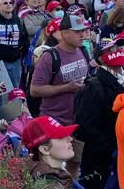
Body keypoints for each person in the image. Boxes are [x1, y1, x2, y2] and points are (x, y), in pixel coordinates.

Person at [30, 14, 90, 177]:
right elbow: (35, 90)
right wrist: (66, 88)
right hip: (54, 122)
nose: (82, 35)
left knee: (74, 165)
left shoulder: (83, 52)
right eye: (77, 31)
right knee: (51, 170)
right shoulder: (50, 57)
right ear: (63, 33)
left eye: (84, 31)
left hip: (77, 122)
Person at [74, 36, 124, 189]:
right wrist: (111, 149)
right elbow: (85, 127)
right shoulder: (93, 86)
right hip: (101, 158)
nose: (117, 52)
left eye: (118, 48)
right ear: (101, 58)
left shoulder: (121, 79)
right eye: (111, 50)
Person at [22, 116, 89, 189]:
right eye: (60, 136)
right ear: (44, 149)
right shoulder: (49, 188)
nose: (70, 138)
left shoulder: (56, 175)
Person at [0, 0, 30, 90]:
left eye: (10, 2)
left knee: (14, 90)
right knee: (0, 91)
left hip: (15, 61)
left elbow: (25, 39)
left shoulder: (19, 21)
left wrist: (25, 56)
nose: (8, 4)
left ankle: (14, 105)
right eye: (5, 3)